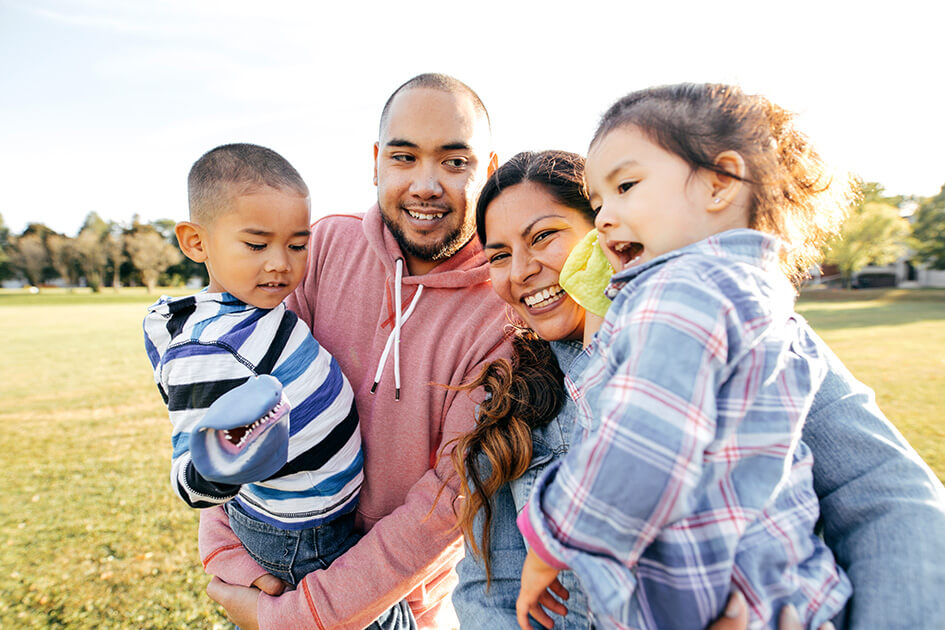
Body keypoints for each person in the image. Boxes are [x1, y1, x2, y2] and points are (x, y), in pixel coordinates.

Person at [450, 147, 945, 629]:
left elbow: (887, 498)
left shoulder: (741, 328)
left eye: (543, 237)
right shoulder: (507, 402)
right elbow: (489, 591)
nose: (520, 270)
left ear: (605, 228)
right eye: (499, 255)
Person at [515, 83, 853, 629]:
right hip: (784, 586)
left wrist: (549, 540)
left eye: (626, 186)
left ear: (719, 183)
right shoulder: (761, 297)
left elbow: (639, 447)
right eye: (598, 203)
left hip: (707, 594)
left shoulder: (678, 294)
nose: (602, 218)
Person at [199, 74, 510, 630]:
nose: (426, 183)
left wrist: (304, 616)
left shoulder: (503, 313)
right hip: (275, 561)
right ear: (375, 163)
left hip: (399, 604)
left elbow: (445, 502)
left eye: (454, 161)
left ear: (487, 171)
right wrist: (227, 549)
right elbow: (237, 398)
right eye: (404, 156)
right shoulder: (322, 248)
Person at [144, 144, 413, 627]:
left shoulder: (253, 308)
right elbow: (188, 471)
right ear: (195, 242)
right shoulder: (206, 353)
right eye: (256, 244)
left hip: (321, 514)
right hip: (299, 529)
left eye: (296, 244)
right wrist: (226, 463)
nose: (280, 264)